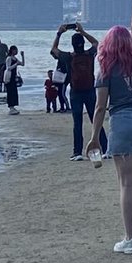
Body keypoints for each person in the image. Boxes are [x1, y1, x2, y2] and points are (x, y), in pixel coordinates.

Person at [86, 25, 132, 254]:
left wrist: (94, 137)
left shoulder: (107, 69)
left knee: (126, 182)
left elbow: (100, 107)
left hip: (124, 120)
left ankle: (129, 239)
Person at [51, 21, 107, 161]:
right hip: (90, 91)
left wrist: (59, 33)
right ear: (82, 42)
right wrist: (82, 31)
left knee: (77, 123)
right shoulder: (89, 54)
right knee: (96, 120)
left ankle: (77, 153)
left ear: (72, 44)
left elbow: (54, 49)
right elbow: (97, 44)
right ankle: (105, 149)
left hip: (75, 92)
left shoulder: (68, 57)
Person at [3, 45, 25, 113]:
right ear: (12, 50)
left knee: (14, 92)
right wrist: (16, 64)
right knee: (10, 92)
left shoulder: (15, 58)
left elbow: (22, 64)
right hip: (9, 77)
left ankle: (13, 106)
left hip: (13, 77)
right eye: (15, 50)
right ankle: (10, 107)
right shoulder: (9, 58)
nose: (16, 51)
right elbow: (8, 68)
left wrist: (22, 56)